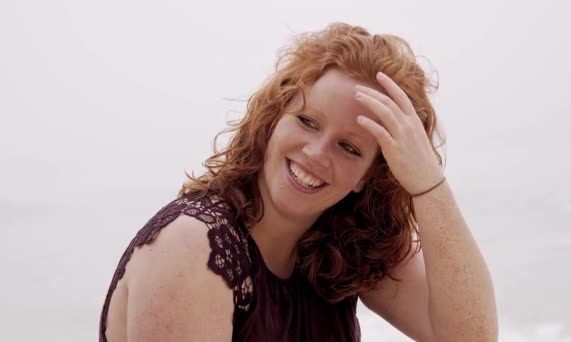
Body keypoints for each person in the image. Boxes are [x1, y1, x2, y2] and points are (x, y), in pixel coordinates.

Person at [99, 23, 498, 342]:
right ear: (274, 118)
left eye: (349, 147)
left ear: (367, 178)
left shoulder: (339, 250)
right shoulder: (193, 246)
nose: (316, 153)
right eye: (307, 121)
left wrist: (427, 182)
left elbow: (471, 338)